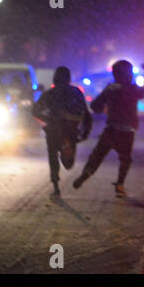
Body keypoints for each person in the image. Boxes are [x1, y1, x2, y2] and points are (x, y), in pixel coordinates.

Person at [73, 60, 144, 198]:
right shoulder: (133, 89)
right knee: (125, 159)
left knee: (97, 156)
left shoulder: (110, 89)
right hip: (128, 131)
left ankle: (85, 175)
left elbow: (95, 106)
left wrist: (105, 108)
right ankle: (120, 184)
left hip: (111, 130)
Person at [32, 67, 93, 197]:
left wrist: (48, 120)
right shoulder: (76, 92)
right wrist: (85, 133)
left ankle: (55, 186)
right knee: (68, 164)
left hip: (53, 131)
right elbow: (86, 114)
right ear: (69, 78)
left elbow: (35, 111)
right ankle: (64, 156)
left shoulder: (49, 94)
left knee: (53, 157)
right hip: (71, 132)